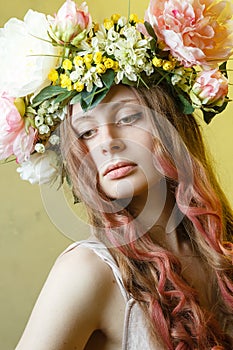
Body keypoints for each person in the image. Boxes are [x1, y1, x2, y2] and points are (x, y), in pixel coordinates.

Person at [1, 0, 233, 349]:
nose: (108, 143)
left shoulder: (224, 245)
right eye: (86, 133)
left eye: (128, 118)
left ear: (172, 126)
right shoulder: (87, 272)